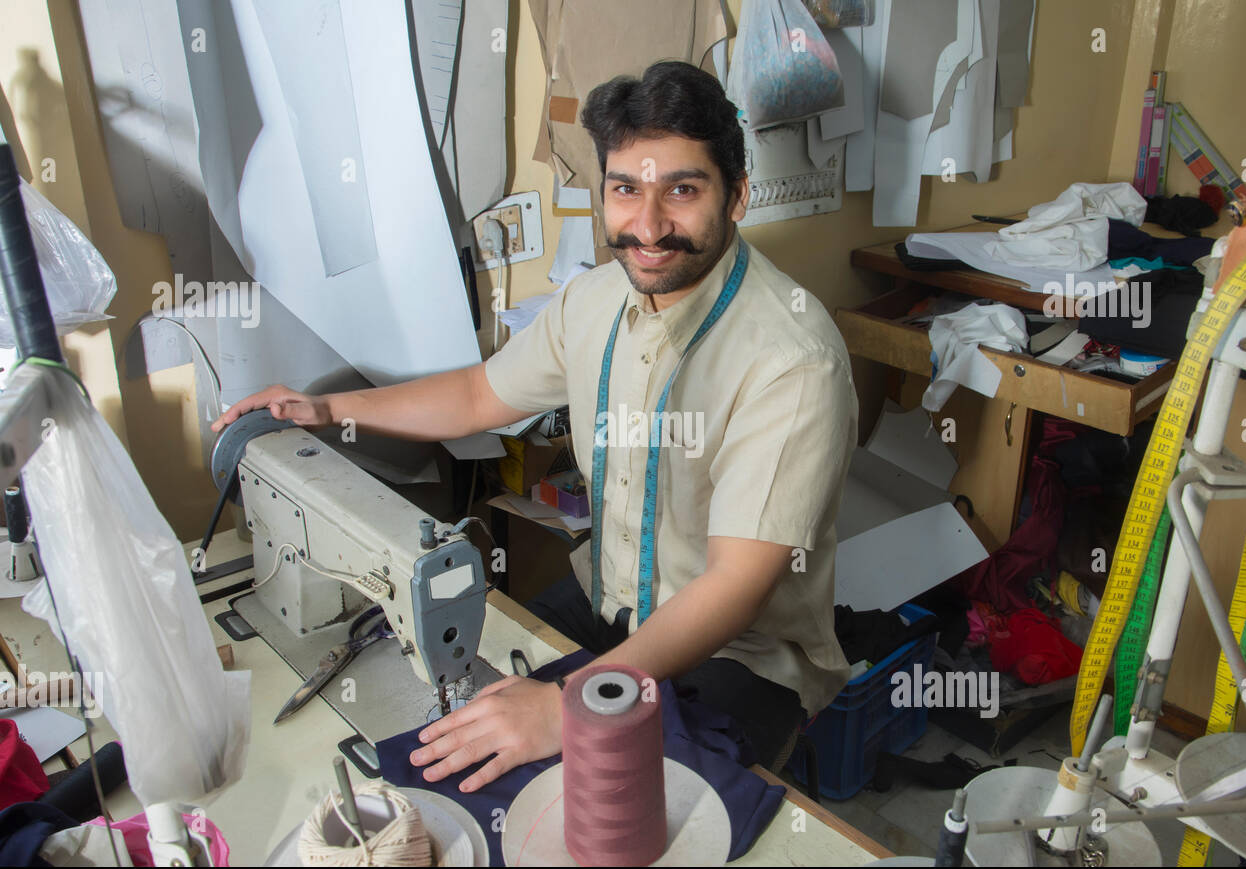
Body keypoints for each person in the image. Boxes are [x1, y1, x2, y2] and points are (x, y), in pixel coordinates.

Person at [212, 60, 857, 790]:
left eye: (682, 190)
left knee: (620, 812)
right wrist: (326, 410)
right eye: (625, 190)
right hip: (605, 601)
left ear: (736, 196)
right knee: (451, 740)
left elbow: (735, 585)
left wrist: (569, 705)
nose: (646, 225)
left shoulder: (792, 361)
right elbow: (477, 397)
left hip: (741, 654)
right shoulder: (594, 302)